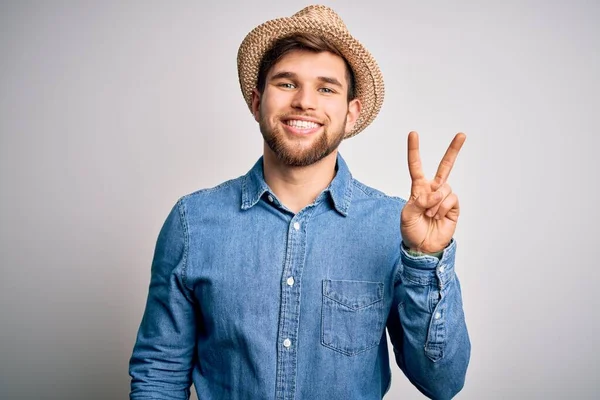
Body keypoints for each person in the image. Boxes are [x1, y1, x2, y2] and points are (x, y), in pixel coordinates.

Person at [129, 5, 471, 400]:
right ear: (256, 101)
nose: (305, 102)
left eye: (326, 88)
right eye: (287, 83)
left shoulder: (390, 227)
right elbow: (158, 375)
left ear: (351, 113)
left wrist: (425, 259)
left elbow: (443, 383)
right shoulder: (192, 222)